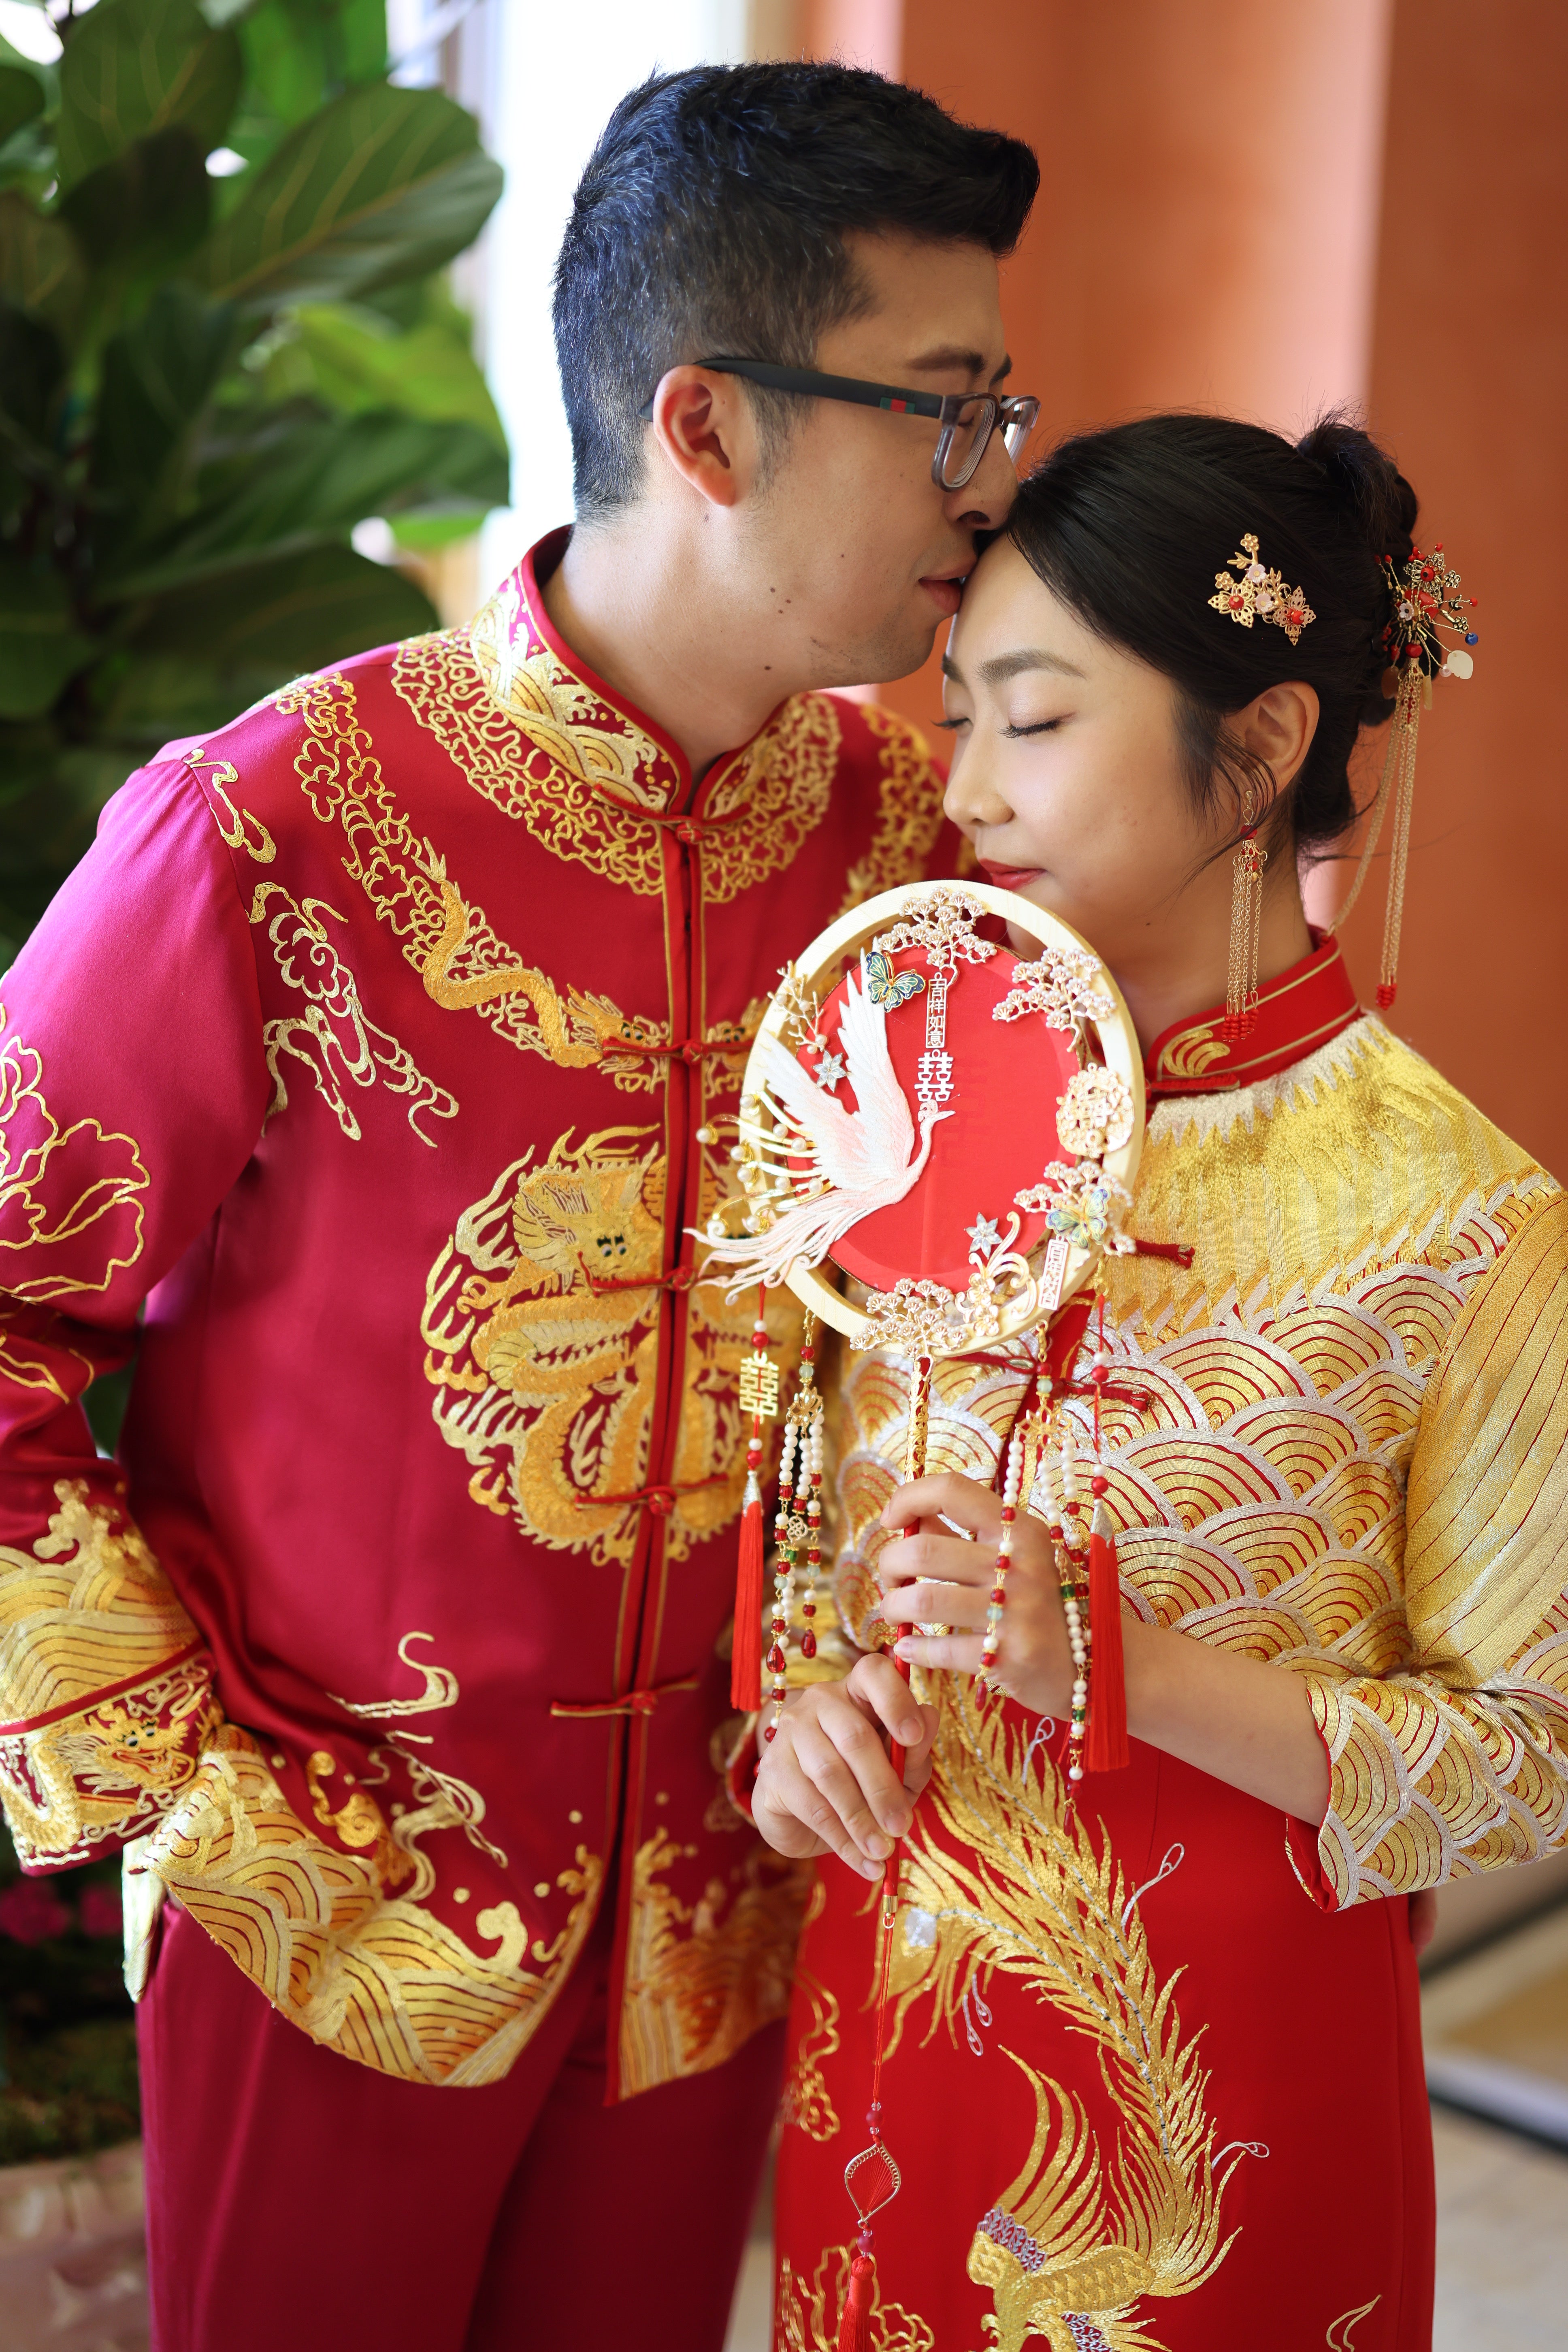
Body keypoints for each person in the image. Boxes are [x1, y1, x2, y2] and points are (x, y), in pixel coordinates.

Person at [0, 62, 1041, 2352]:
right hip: (331, 1923)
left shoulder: (916, 847)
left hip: (722, 1902)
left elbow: (960, 1323)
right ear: (709, 424)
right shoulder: (263, 830)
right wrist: (200, 1780)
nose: (993, 482)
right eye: (945, 411)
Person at [754, 414, 1568, 2350]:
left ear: (1266, 744)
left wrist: (1117, 1664)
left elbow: (1527, 1760)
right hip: (877, 2052)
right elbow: (816, 1540)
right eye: (951, 721)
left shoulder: (1458, 1221)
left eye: (1027, 722)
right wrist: (796, 1731)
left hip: (1215, 2124)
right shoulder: (914, 1117)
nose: (961, 790)